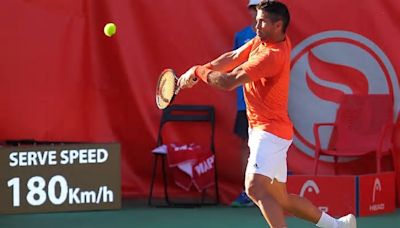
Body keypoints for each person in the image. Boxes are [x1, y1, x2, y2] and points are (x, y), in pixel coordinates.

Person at [178, 1, 356, 227]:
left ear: (278, 24)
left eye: (262, 21)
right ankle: (338, 225)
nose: (256, 24)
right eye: (257, 19)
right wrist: (197, 72)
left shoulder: (271, 55)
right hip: (267, 131)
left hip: (270, 133)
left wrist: (198, 71)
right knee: (281, 199)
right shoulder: (262, 40)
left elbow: (228, 81)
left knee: (254, 188)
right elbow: (233, 57)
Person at [230, 0, 260, 208]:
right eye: (254, 7)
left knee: (267, 148)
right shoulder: (241, 36)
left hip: (267, 105)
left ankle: (266, 191)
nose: (257, 11)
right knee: (246, 146)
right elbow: (233, 65)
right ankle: (247, 192)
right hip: (245, 104)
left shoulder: (277, 39)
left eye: (261, 6)